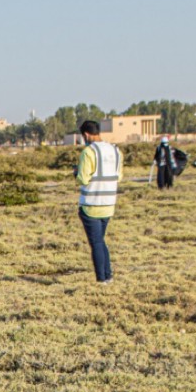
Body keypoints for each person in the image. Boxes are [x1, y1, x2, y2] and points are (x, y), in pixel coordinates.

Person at [75, 120, 122, 284]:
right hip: (109, 204)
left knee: (96, 243)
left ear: (86, 135)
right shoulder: (115, 150)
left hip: (91, 204)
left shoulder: (88, 152)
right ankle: (108, 276)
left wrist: (76, 173)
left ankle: (102, 279)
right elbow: (119, 176)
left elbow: (83, 178)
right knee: (100, 241)